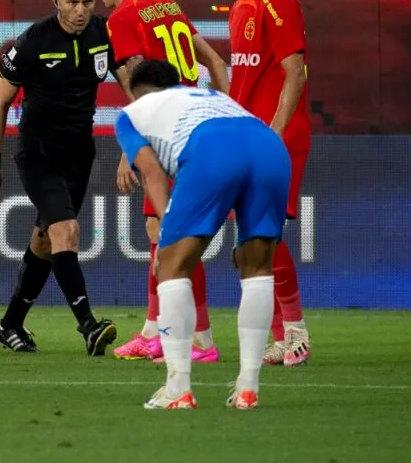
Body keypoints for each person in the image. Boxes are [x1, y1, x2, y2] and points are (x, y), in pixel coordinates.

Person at [83, 0, 228, 364]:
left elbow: (133, 81)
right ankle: (154, 330)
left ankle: (200, 339)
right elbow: (213, 62)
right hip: (196, 120)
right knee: (157, 235)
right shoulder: (166, 3)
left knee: (174, 236)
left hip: (167, 131)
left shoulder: (123, 17)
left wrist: (132, 147)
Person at [116, 59, 290, 410]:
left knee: (171, 267)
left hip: (212, 149)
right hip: (268, 145)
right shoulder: (205, 94)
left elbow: (151, 173)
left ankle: (178, 388)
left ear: (135, 92)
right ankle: (247, 388)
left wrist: (166, 242)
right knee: (257, 269)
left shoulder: (131, 114)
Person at [0, 0, 119, 357]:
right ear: (55, 1)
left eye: (87, 2)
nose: (80, 10)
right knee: (67, 231)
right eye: (72, 2)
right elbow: (0, 105)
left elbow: (129, 80)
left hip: (80, 153)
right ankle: (89, 326)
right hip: (38, 151)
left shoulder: (103, 33)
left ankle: (9, 325)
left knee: (44, 242)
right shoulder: (31, 43)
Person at [208, 0, 312, 368]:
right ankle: (283, 336)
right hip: (247, 136)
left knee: (263, 234)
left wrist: (274, 131)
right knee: (253, 237)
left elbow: (295, 71)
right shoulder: (239, 9)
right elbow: (246, 80)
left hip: (277, 138)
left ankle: (296, 333)